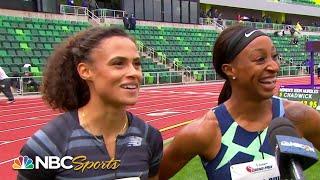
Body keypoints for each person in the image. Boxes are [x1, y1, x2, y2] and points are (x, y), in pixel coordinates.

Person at [159, 25, 320, 180]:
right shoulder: (204, 132)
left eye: (274, 56)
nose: (274, 66)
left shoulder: (298, 116)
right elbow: (152, 176)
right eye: (260, 59)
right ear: (230, 70)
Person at [17, 27, 163, 180]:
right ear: (85, 71)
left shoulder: (150, 138)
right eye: (118, 63)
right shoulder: (46, 145)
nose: (134, 72)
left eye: (137, 64)